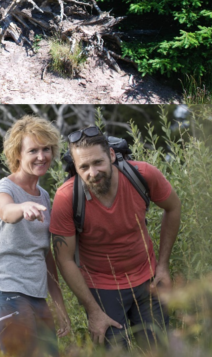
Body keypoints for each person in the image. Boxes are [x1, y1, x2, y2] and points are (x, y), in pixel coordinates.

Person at [49, 126, 182, 348]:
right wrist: (93, 311)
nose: (93, 172)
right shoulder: (66, 197)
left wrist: (163, 266)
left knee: (159, 350)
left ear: (111, 155)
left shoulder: (143, 174)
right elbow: (64, 259)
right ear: (76, 167)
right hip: (102, 289)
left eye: (98, 162)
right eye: (84, 167)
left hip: (147, 279)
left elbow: (174, 207)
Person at [0, 116, 72, 357]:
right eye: (33, 150)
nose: (41, 156)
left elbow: (45, 254)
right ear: (18, 154)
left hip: (36, 296)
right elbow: (7, 211)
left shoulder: (43, 197)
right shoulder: (3, 189)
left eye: (46, 149)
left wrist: (60, 307)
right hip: (4, 291)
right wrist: (22, 209)